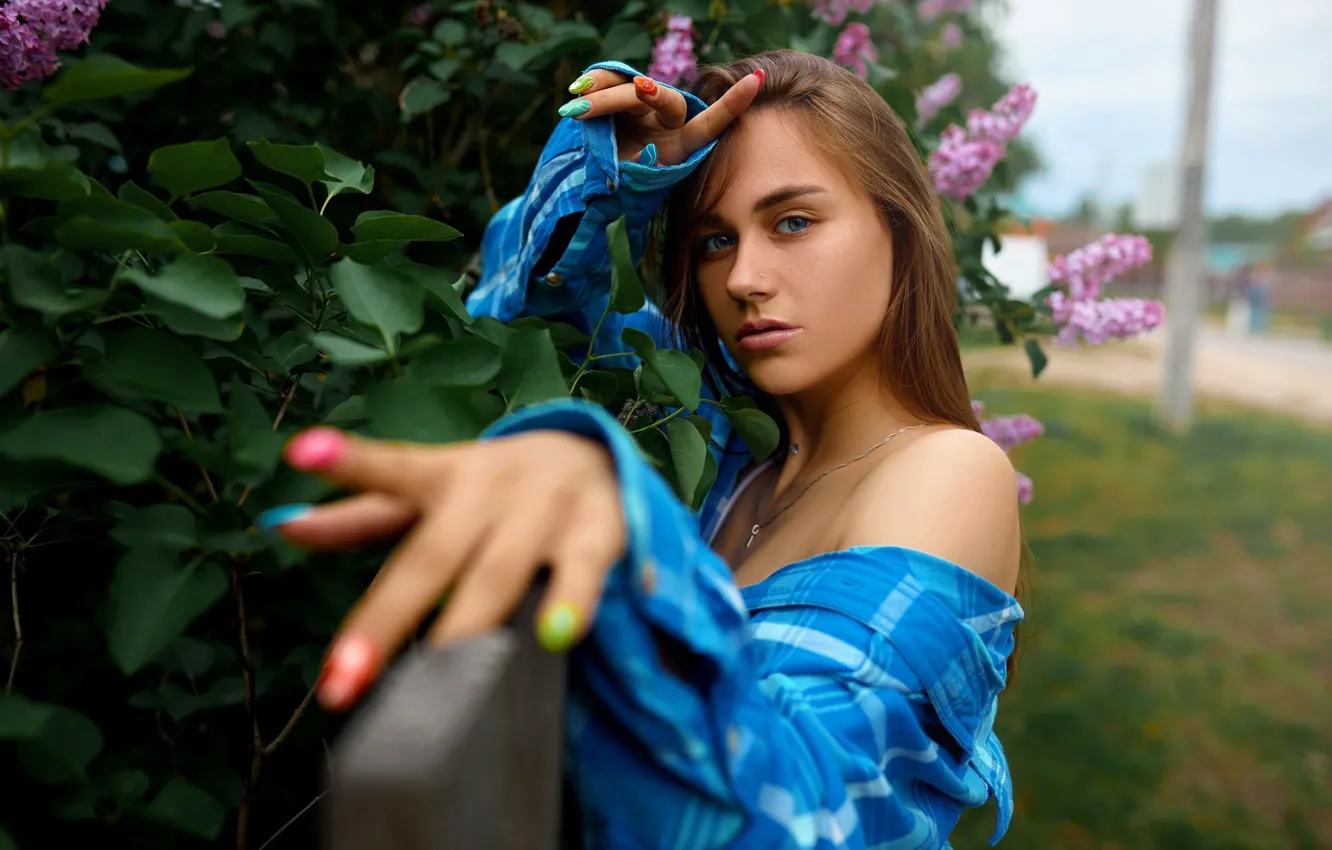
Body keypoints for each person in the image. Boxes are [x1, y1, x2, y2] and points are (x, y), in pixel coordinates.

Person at [257, 50, 1026, 849]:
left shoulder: (947, 470)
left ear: (899, 232)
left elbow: (807, 810)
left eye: (793, 221)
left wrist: (610, 501)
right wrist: (620, 180)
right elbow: (513, 329)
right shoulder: (729, 433)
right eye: (714, 241)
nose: (744, 279)